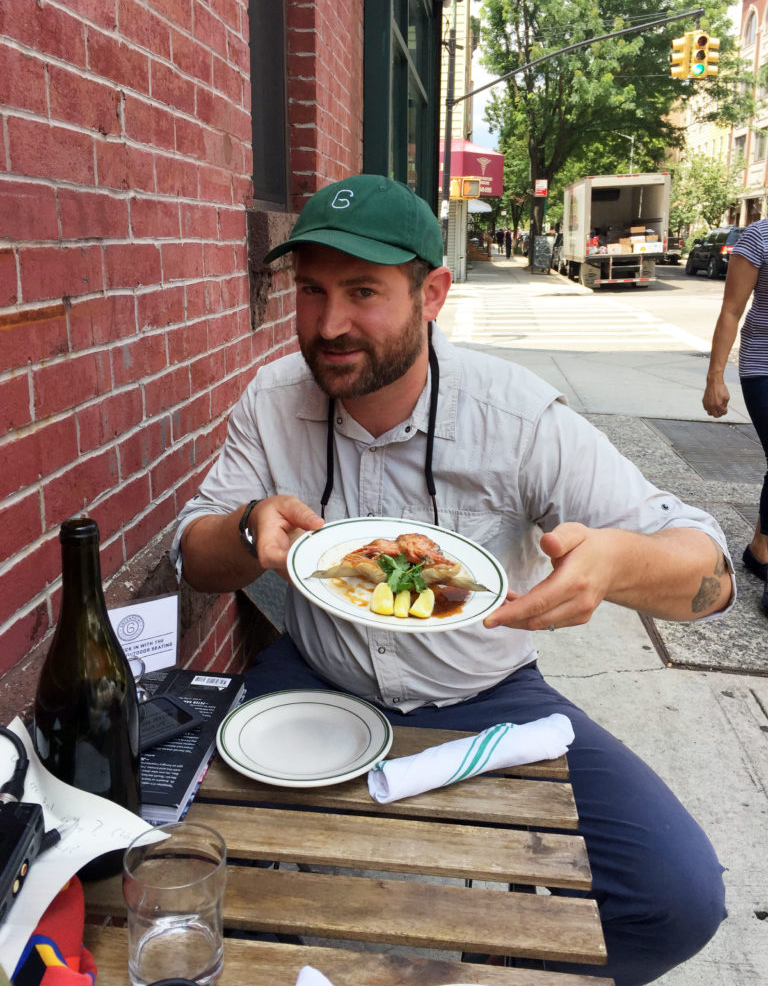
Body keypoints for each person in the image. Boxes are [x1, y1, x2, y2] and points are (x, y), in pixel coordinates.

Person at [173, 175, 733, 986]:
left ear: (431, 293)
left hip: (489, 694)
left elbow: (711, 576)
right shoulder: (271, 402)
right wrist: (246, 527)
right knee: (158, 844)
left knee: (677, 898)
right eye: (312, 291)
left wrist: (617, 563)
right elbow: (194, 557)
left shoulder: (517, 416)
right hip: (314, 679)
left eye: (363, 291)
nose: (329, 325)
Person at [703, 218, 768, 613]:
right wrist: (716, 378)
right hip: (764, 365)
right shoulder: (759, 237)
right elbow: (731, 310)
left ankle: (760, 550)